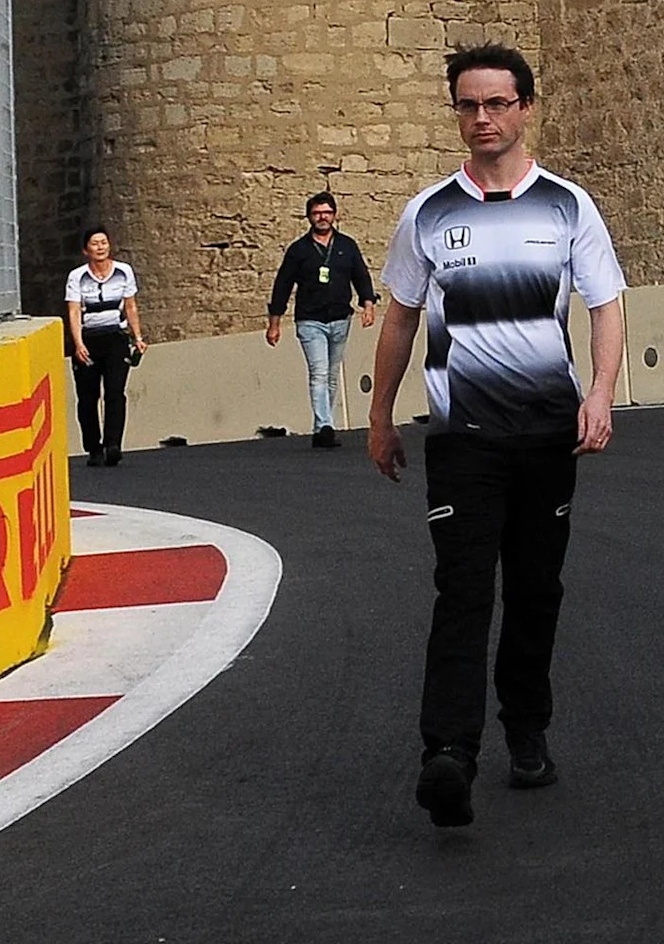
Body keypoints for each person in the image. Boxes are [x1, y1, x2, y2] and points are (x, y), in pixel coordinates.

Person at [366, 45, 627, 829]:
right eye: (468, 106)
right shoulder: (427, 213)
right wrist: (380, 416)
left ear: (525, 109)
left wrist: (601, 394)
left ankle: (527, 727)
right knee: (463, 589)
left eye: (497, 104)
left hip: (548, 433)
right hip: (464, 438)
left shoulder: (569, 206)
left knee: (536, 590)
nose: (482, 119)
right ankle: (448, 752)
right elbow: (401, 319)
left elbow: (605, 304)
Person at [265, 191, 378, 449]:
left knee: (332, 375)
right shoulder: (299, 250)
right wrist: (275, 323)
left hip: (340, 318)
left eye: (326, 212)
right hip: (310, 320)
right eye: (317, 213)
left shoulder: (346, 245)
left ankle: (321, 428)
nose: (322, 217)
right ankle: (326, 425)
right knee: (319, 372)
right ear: (309, 217)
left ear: (335, 215)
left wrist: (368, 305)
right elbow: (282, 285)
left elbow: (360, 276)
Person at [65, 229, 144, 469]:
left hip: (116, 338)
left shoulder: (123, 271)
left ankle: (113, 444)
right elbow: (74, 311)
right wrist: (78, 343)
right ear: (85, 250)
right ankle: (93, 447)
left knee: (115, 392)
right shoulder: (77, 276)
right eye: (94, 243)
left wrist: (137, 337)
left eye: (103, 242)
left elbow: (130, 306)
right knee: (88, 397)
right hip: (89, 339)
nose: (100, 247)